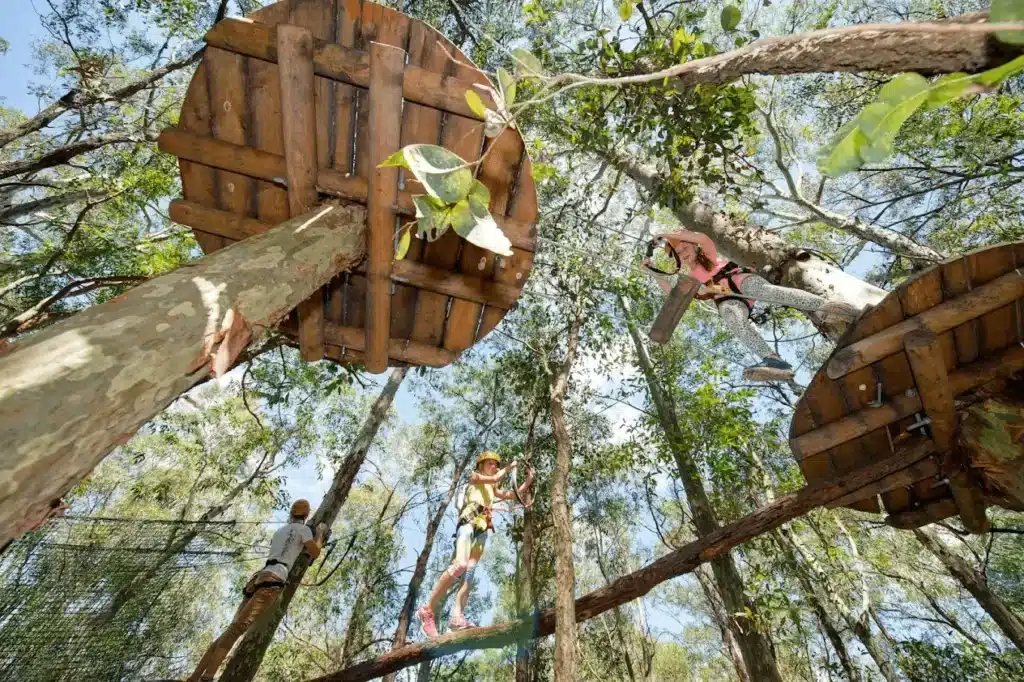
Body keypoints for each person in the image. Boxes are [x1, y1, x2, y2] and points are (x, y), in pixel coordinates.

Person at [643, 229, 862, 381]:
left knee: (766, 291)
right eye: (679, 253)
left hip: (740, 281)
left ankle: (828, 307)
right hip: (726, 296)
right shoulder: (691, 276)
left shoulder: (707, 256)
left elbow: (704, 239)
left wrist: (668, 234)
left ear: (692, 245)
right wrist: (652, 271)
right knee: (730, 317)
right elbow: (674, 294)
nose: (684, 253)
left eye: (685, 248)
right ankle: (773, 361)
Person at [188, 499, 326, 682]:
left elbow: (289, 547)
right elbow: (314, 552)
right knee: (237, 629)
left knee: (232, 628)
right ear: (306, 515)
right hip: (275, 577)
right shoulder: (304, 530)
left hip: (260, 576)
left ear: (292, 514)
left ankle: (195, 677)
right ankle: (208, 677)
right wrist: (321, 534)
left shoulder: (280, 531)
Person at [416, 451, 533, 637]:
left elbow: (511, 494)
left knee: (469, 574)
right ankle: (427, 609)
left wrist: (527, 482)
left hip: (482, 529)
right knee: (460, 565)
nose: (494, 467)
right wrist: (509, 467)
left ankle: (457, 618)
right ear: (480, 466)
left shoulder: (492, 486)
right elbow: (494, 477)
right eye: (490, 464)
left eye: (496, 464)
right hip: (468, 523)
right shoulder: (475, 476)